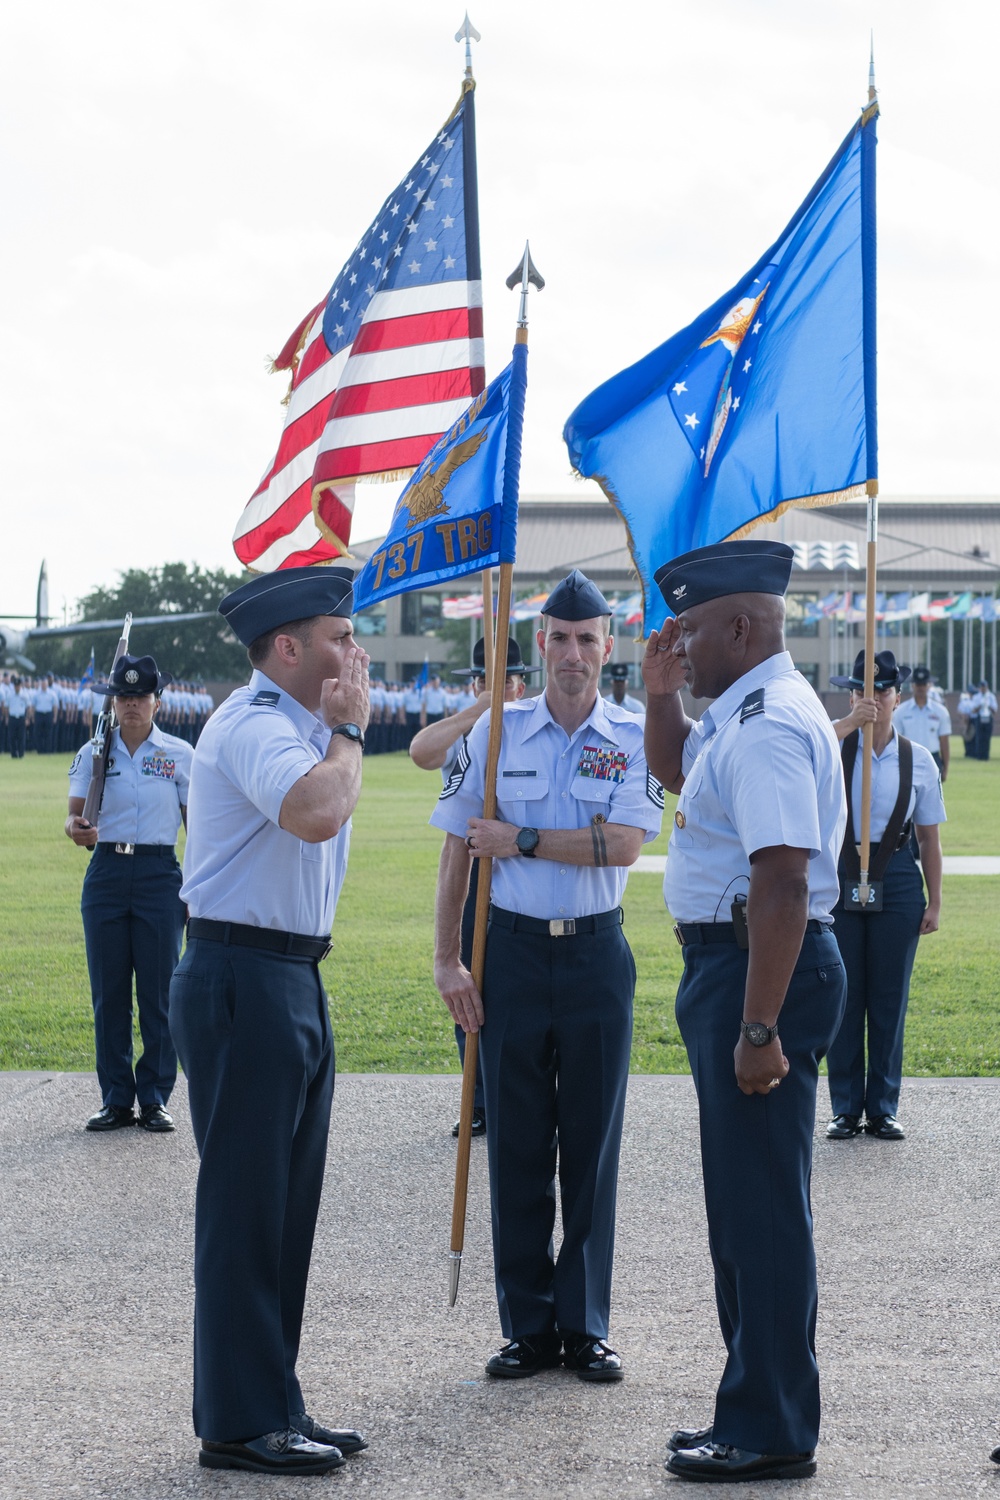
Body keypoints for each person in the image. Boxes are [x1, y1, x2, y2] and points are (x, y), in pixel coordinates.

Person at [643, 540, 847, 1485]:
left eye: (687, 630)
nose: (677, 646)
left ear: (738, 626)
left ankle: (768, 1427)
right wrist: (656, 698)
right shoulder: (737, 713)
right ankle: (754, 1404)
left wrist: (759, 1028)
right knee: (744, 1204)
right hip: (737, 968)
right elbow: (686, 777)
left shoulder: (765, 723)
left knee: (759, 1209)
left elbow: (783, 878)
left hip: (758, 971)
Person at [432, 569, 663, 1384]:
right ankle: (527, 1326)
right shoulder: (494, 733)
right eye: (559, 638)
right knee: (520, 1148)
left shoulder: (633, 739)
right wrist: (448, 959)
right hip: (515, 956)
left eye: (587, 639)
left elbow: (629, 844)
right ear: (540, 644)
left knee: (592, 1148)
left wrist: (523, 839)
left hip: (598, 953)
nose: (573, 653)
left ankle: (586, 1325)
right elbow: (459, 844)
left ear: (609, 647)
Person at [168, 565, 370, 1477]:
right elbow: (315, 813)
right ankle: (239, 1421)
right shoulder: (256, 726)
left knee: (284, 1211)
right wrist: (354, 730)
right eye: (338, 636)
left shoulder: (305, 729)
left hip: (288, 974)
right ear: (286, 649)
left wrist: (339, 730)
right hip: (242, 973)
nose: (354, 652)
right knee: (247, 1208)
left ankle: (273, 1400)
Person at [410, 635, 538, 1136]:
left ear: (520, 684)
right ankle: (477, 1096)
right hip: (468, 879)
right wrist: (478, 712)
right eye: (485, 680)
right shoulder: (464, 729)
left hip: (517, 878)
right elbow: (421, 751)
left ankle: (516, 1095)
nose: (495, 688)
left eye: (504, 680)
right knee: (469, 992)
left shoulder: (533, 727)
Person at [65, 654, 190, 1133]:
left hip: (160, 874)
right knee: (110, 993)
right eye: (124, 696)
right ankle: (116, 1098)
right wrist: (77, 829)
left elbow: (194, 826)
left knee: (159, 993)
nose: (132, 704)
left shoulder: (179, 755)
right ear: (113, 702)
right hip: (107, 874)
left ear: (157, 701)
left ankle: (154, 1097)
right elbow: (73, 816)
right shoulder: (94, 752)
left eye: (140, 696)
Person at [825, 651, 945, 1142]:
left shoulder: (919, 760)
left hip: (895, 876)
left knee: (889, 997)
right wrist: (850, 723)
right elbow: (804, 745)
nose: (870, 699)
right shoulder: (834, 747)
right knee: (845, 995)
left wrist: (935, 901)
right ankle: (846, 1108)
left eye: (879, 691)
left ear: (897, 697)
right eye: (860, 692)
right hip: (842, 873)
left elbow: (931, 839)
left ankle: (883, 1108)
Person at [893, 665, 950, 781]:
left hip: (933, 758)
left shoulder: (940, 711)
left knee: (933, 798)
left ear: (929, 685)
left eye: (923, 684)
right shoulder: (901, 711)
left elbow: (944, 741)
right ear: (912, 685)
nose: (921, 688)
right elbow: (895, 740)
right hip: (908, 758)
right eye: (918, 684)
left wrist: (946, 768)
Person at [970, 678, 997, 760]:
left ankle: (986, 755)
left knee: (987, 737)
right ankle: (979, 755)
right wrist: (980, 705)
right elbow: (973, 710)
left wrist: (988, 705)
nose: (982, 689)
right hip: (980, 717)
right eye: (981, 687)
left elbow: (995, 710)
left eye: (984, 687)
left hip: (988, 717)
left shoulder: (991, 696)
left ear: (987, 687)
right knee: (979, 737)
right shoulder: (976, 697)